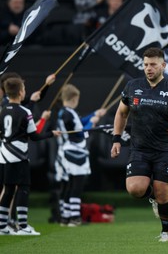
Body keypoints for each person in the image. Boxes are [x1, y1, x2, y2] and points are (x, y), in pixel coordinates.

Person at [111, 47, 168, 242]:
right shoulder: (132, 86)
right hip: (139, 148)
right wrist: (116, 138)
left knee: (163, 192)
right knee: (135, 189)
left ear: (163, 66)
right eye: (146, 64)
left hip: (166, 149)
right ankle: (153, 197)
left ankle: (167, 233)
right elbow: (122, 113)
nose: (149, 68)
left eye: (153, 64)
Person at [0, 77, 60, 235]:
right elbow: (34, 136)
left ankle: (2, 227)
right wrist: (51, 134)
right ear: (20, 92)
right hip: (19, 156)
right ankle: (23, 226)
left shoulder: (2, 110)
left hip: (4, 155)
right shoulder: (25, 112)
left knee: (8, 189)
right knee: (23, 188)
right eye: (24, 90)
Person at [57, 84, 106, 227]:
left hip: (69, 151)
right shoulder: (68, 114)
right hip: (75, 152)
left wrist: (94, 114)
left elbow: (79, 123)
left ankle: (65, 218)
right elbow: (79, 134)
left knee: (70, 184)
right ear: (73, 98)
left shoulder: (65, 112)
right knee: (76, 185)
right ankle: (74, 218)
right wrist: (92, 124)